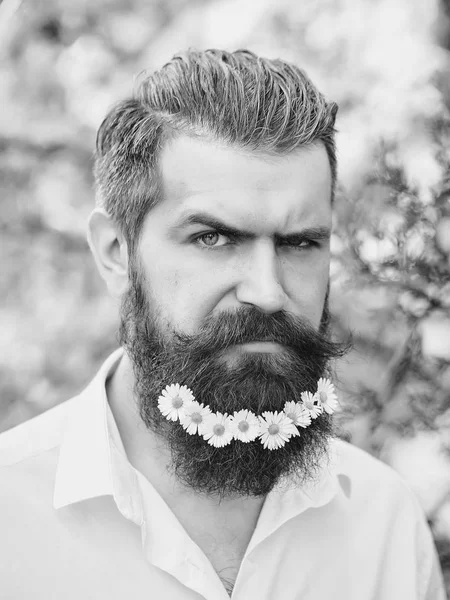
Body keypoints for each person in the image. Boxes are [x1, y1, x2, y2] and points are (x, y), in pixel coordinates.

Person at [0, 49, 446, 600]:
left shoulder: (384, 527)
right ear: (117, 252)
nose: (266, 290)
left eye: (300, 243)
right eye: (213, 238)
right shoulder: (9, 523)